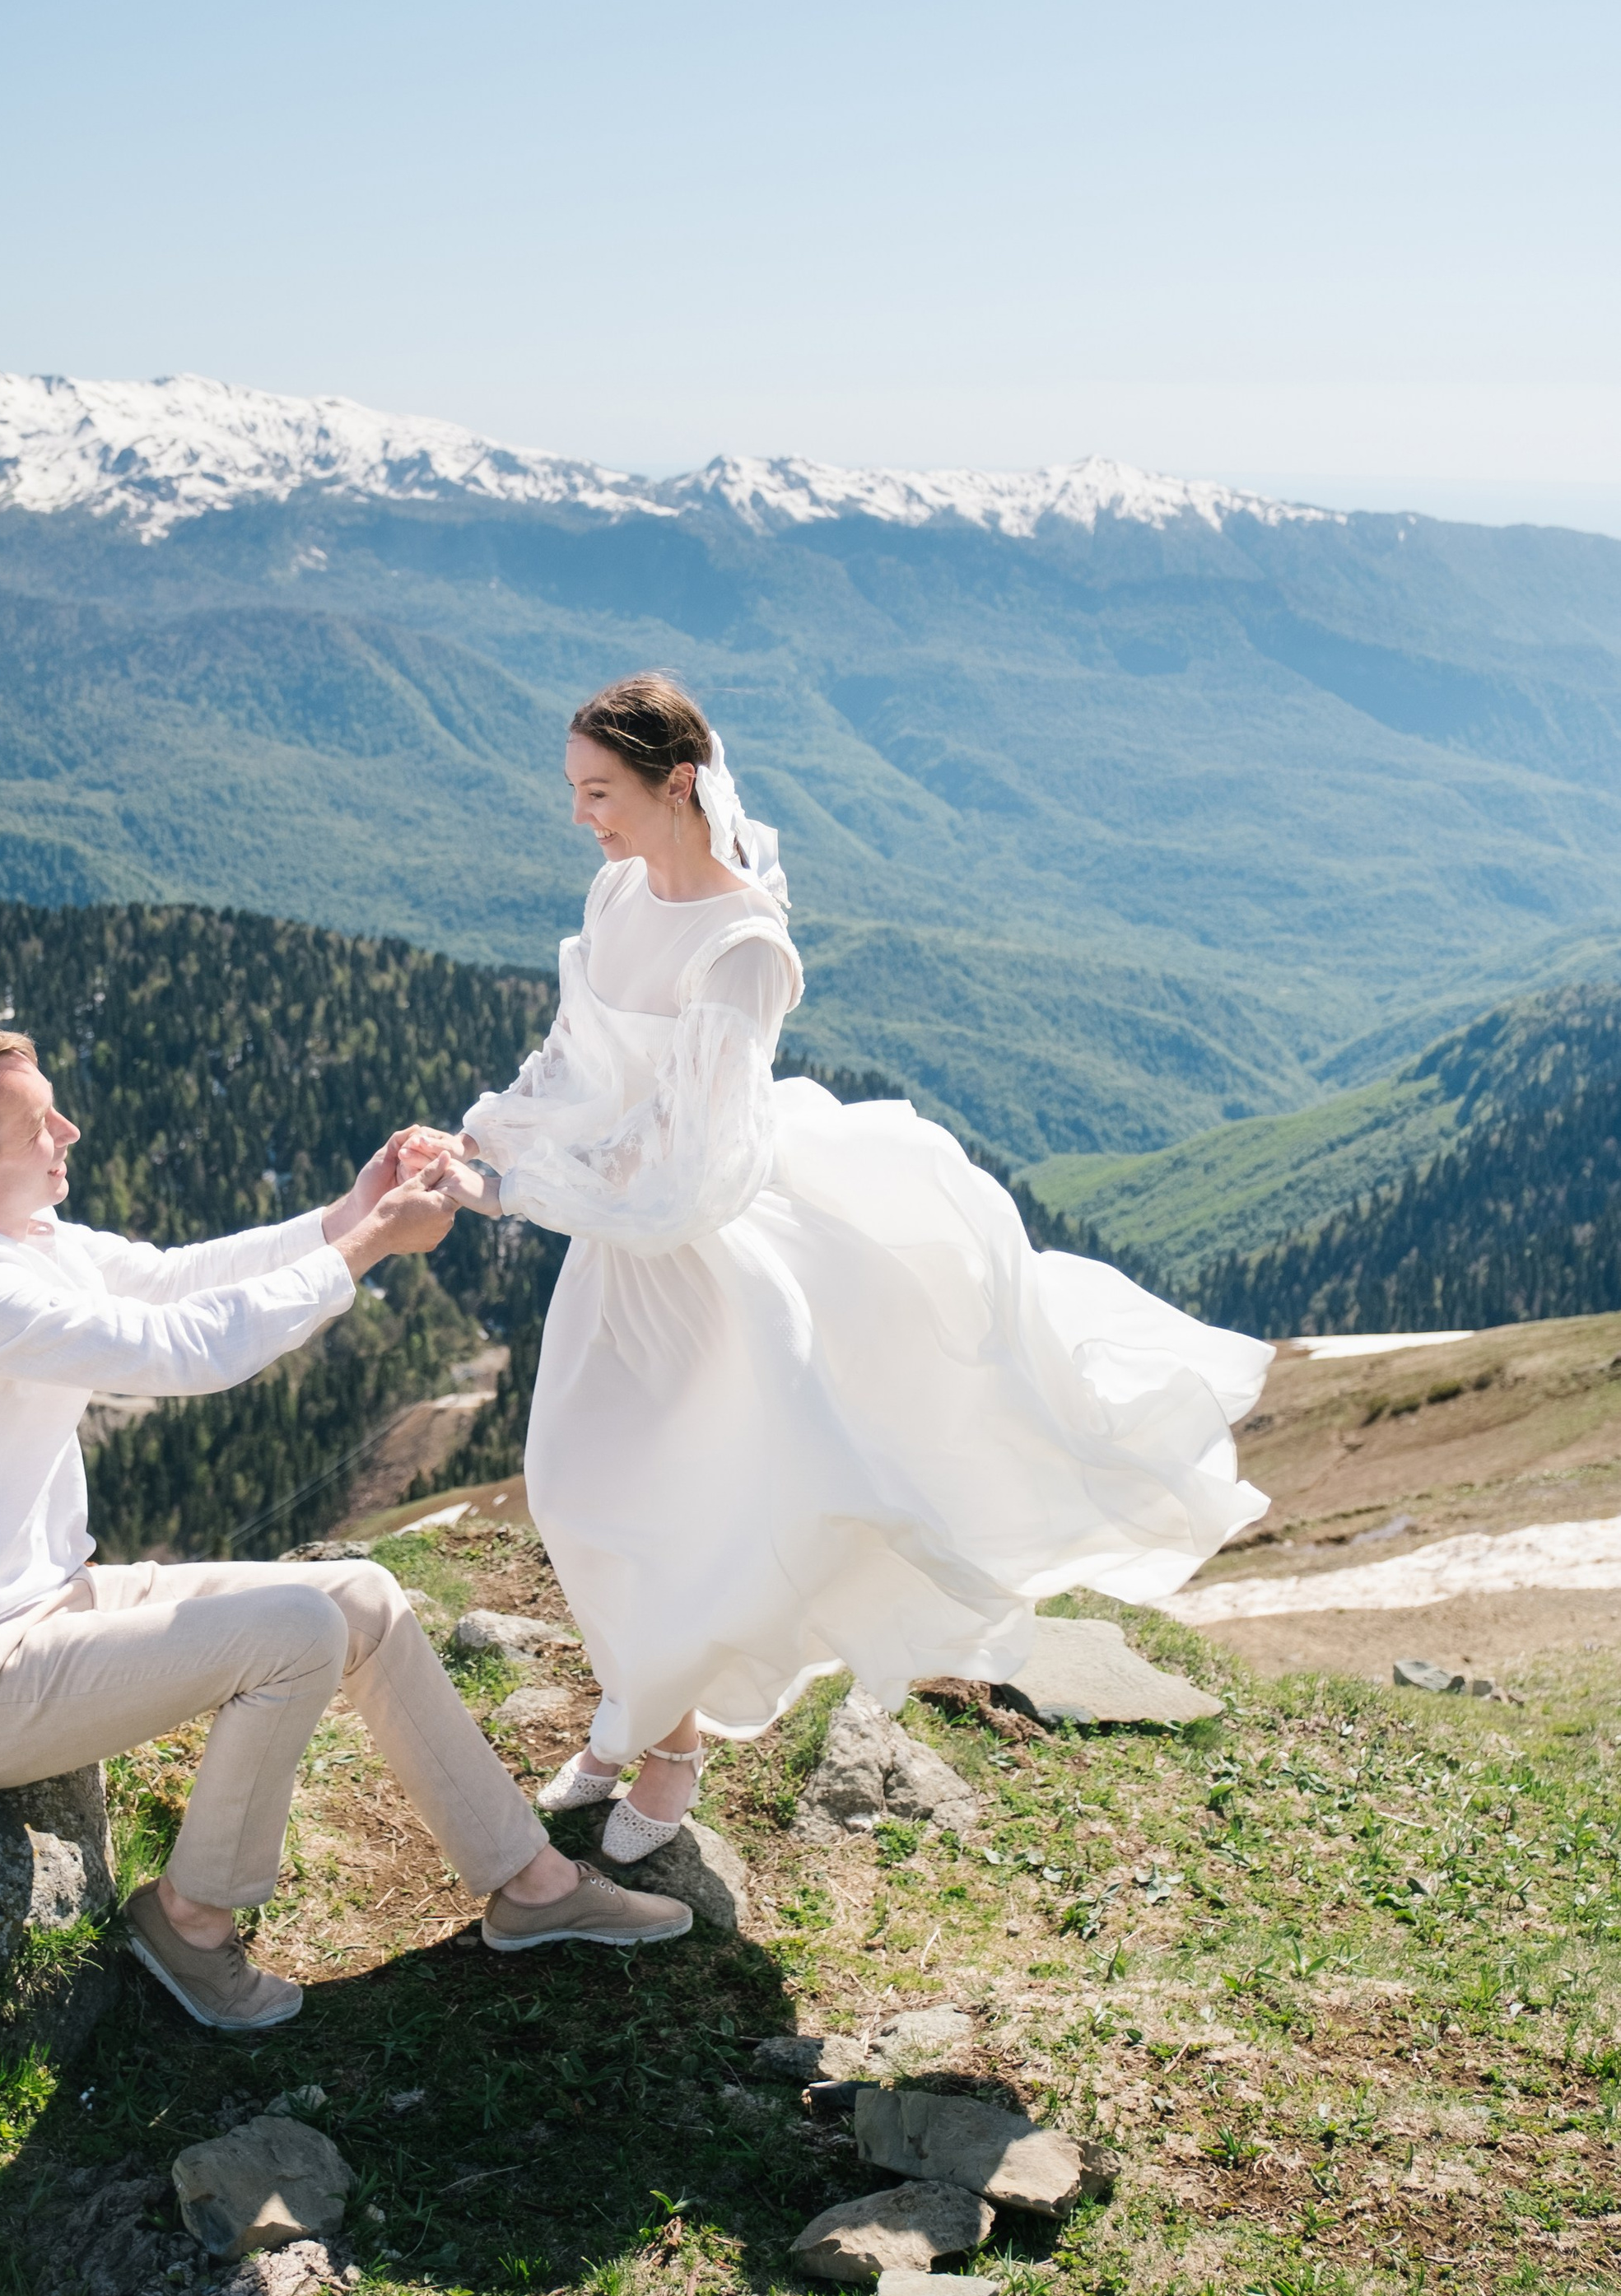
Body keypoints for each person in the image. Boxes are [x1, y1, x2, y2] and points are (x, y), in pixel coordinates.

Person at [402, 673, 1274, 1864]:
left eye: (599, 791)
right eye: (575, 790)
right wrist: (486, 1137)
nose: (581, 816)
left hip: (703, 1260)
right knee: (571, 1483)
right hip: (618, 1242)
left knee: (687, 1505)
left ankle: (667, 1741)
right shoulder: (615, 894)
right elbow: (578, 1060)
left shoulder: (744, 943)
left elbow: (689, 1167)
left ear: (679, 786)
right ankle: (641, 1707)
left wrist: (517, 1190)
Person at [0, 1019, 691, 2034]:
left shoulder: (0, 1231)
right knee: (296, 1633)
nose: (68, 1129)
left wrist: (349, 1211)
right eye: (37, 1126)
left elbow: (171, 1279)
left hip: (47, 1610)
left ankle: (532, 1887)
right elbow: (183, 1348)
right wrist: (370, 1248)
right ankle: (190, 1923)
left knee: (360, 1598)